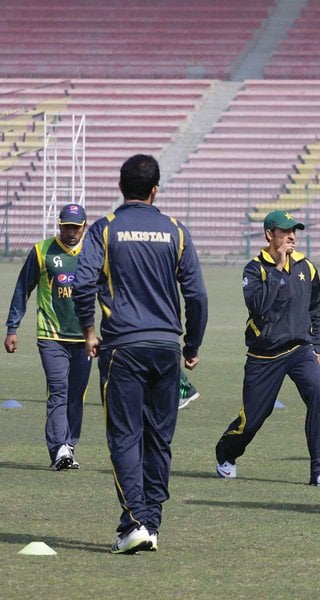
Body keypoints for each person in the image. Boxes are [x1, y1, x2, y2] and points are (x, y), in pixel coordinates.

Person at [73, 154, 208, 554]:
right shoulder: (175, 230)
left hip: (122, 348)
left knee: (124, 437)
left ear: (121, 188)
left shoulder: (105, 229)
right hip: (166, 349)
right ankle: (150, 522)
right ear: (155, 191)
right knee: (159, 438)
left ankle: (135, 522)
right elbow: (197, 294)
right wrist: (192, 345)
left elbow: (83, 285)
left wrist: (89, 329)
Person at [214, 210, 320, 488]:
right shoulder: (254, 269)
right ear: (270, 234)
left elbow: (315, 308)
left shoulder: (307, 267)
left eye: (294, 230)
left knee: (318, 396)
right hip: (264, 355)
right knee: (253, 418)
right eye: (285, 231)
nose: (292, 236)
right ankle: (226, 452)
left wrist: (317, 345)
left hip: (301, 350)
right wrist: (279, 270)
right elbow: (258, 306)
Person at [5, 203, 91, 470]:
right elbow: (23, 289)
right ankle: (58, 450)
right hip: (51, 335)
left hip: (83, 339)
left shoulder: (93, 254)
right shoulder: (41, 251)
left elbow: (110, 293)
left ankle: (69, 445)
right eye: (67, 226)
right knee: (59, 391)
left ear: (84, 226)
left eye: (76, 227)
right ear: (59, 225)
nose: (72, 232)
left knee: (77, 396)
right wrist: (12, 327)